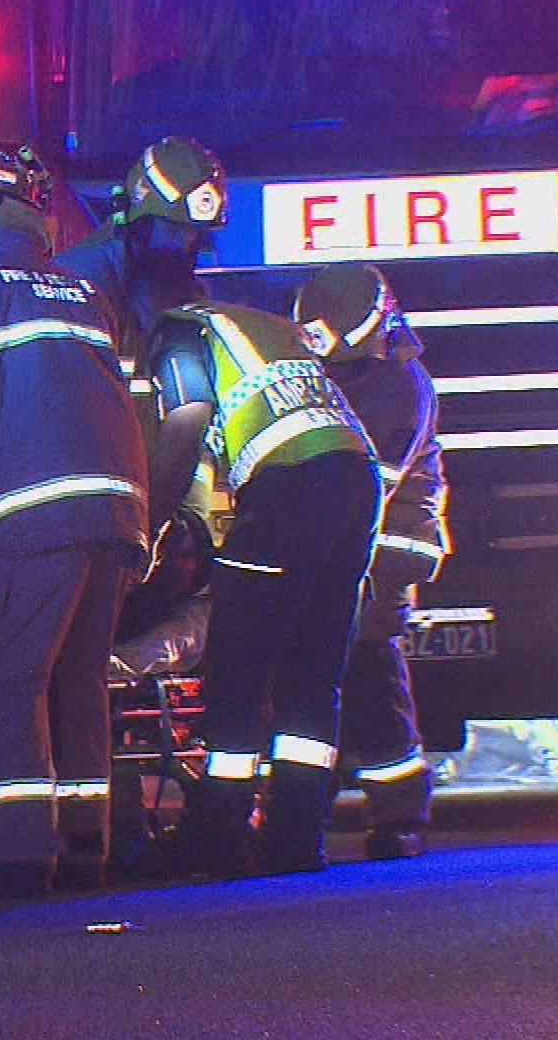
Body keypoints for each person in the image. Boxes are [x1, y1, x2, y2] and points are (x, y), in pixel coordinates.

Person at [0, 143, 149, 898]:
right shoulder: (84, 289)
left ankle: (16, 855)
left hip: (27, 515)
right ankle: (85, 846)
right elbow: (134, 403)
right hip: (114, 514)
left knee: (12, 680)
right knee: (79, 684)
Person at [143, 290, 380, 878]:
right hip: (357, 478)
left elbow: (187, 416)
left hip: (290, 486)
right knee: (313, 668)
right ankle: (297, 841)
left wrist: (150, 522)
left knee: (240, 663)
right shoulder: (266, 328)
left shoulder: (176, 334)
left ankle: (215, 841)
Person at [293, 263, 449, 860]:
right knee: (313, 680)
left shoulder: (397, 386)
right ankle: (308, 801)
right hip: (335, 546)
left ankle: (400, 814)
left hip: (382, 553)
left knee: (370, 680)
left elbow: (365, 486)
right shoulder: (331, 367)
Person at [56, 137, 224, 360]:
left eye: (192, 232)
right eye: (172, 229)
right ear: (141, 224)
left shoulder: (190, 293)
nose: (183, 243)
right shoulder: (81, 278)